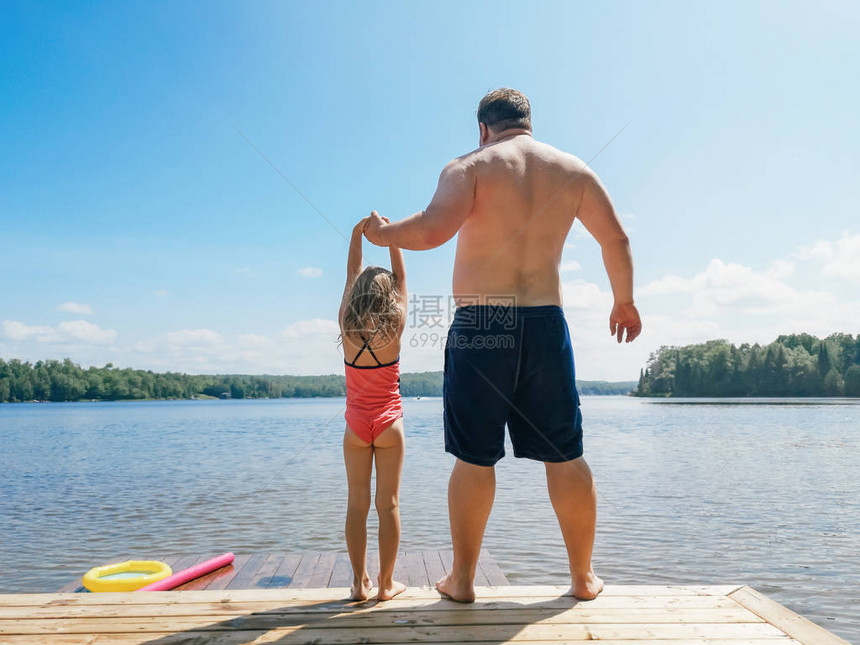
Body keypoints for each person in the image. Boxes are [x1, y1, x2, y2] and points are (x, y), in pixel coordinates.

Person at [364, 88, 642, 603]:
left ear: (483, 128)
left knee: (475, 456)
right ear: (528, 123)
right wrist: (623, 301)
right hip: (544, 322)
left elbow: (431, 229)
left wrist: (384, 235)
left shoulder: (469, 166)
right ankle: (582, 578)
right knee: (566, 453)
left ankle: (463, 581)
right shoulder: (574, 170)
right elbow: (616, 240)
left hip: (482, 321)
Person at [338, 215, 408, 601]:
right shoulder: (395, 325)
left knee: (356, 504)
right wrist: (390, 234)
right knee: (389, 504)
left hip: (355, 426)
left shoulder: (346, 326)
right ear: (388, 296)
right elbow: (401, 275)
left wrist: (356, 233)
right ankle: (385, 585)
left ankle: (358, 583)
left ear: (357, 294)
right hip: (389, 425)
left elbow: (352, 270)